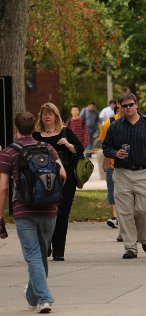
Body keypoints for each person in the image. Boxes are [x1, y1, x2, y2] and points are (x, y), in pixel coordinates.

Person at [0, 112, 66, 313]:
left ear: (16, 128)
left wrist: (0, 215)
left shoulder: (9, 153)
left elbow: (3, 187)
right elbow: (62, 173)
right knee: (39, 256)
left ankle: (45, 298)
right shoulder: (47, 148)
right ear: (34, 127)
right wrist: (51, 195)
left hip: (24, 210)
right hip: (49, 210)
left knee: (33, 255)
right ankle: (32, 296)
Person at [103, 92, 146, 259]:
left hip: (145, 171)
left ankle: (143, 238)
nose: (128, 108)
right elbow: (106, 147)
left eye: (131, 104)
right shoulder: (115, 126)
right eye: (124, 106)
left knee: (144, 208)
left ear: (136, 105)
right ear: (119, 108)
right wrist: (115, 153)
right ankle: (130, 247)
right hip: (122, 173)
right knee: (125, 212)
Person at [33, 103, 84, 261]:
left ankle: (59, 251)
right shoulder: (36, 136)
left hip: (65, 180)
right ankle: (46, 244)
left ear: (56, 115)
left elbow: (80, 149)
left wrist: (68, 145)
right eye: (44, 114)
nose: (47, 116)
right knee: (44, 213)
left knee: (62, 214)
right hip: (42, 180)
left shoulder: (65, 132)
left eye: (50, 113)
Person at [98, 103, 123, 239]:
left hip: (129, 167)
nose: (124, 109)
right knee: (113, 190)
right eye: (121, 107)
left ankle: (122, 222)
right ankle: (115, 218)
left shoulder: (137, 121)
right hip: (112, 165)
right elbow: (104, 144)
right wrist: (105, 161)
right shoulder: (109, 123)